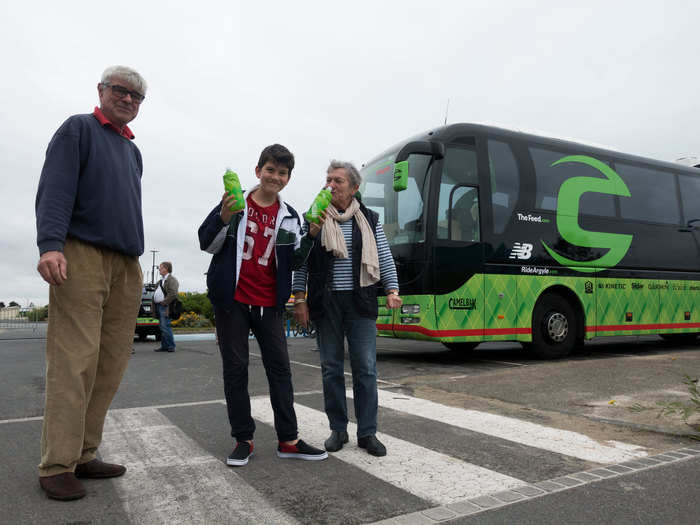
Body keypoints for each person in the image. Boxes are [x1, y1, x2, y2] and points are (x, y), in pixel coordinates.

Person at [35, 65, 148, 500]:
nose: (128, 100)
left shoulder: (132, 151)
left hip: (126, 263)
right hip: (81, 252)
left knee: (110, 362)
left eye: (137, 97)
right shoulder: (78, 130)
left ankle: (84, 452)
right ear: (101, 91)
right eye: (120, 91)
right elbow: (56, 188)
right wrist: (50, 244)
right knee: (74, 360)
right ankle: (57, 465)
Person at [198, 144, 328, 466]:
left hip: (270, 303)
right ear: (258, 171)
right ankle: (243, 439)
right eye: (270, 170)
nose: (275, 177)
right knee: (236, 370)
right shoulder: (235, 203)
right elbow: (206, 242)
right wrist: (224, 216)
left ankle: (289, 439)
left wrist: (311, 234)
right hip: (233, 300)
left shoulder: (290, 217)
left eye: (282, 173)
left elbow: (297, 261)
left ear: (287, 179)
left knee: (281, 371)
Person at [292, 160, 402, 457]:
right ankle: (338, 429)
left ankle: (367, 432)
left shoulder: (368, 217)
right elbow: (301, 261)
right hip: (325, 302)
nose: (331, 184)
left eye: (338, 180)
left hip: (360, 301)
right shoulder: (313, 217)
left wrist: (392, 289)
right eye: (328, 179)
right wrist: (298, 298)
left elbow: (383, 255)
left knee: (365, 368)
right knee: (330, 369)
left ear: (354, 187)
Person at [153, 261, 179, 352]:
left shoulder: (172, 280)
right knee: (162, 327)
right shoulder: (161, 281)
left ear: (166, 269)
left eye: (161, 267)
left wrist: (164, 302)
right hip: (159, 306)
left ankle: (171, 346)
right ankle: (164, 346)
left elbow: (173, 293)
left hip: (165, 307)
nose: (159, 269)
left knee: (165, 326)